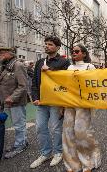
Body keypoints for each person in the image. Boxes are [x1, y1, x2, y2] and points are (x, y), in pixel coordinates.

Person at [30, 36, 70, 169]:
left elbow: (66, 81)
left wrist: (51, 72)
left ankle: (58, 152)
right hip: (41, 102)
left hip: (55, 102)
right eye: (46, 44)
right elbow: (35, 82)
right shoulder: (40, 62)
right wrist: (35, 97)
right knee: (40, 127)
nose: (47, 46)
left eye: (50, 44)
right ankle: (45, 153)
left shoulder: (64, 62)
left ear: (57, 47)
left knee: (56, 128)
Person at [63, 44, 101, 172]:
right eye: (72, 51)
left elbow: (95, 84)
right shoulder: (69, 67)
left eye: (77, 51)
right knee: (68, 133)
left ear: (84, 53)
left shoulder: (90, 67)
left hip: (83, 103)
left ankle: (88, 163)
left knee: (82, 133)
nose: (74, 53)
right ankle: (72, 164)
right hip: (69, 103)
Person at [0, 47, 28, 159]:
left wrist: (12, 97)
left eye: (2, 53)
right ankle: (22, 142)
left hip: (16, 102)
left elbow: (23, 86)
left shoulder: (18, 65)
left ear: (10, 54)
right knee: (17, 124)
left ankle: (20, 145)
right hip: (6, 101)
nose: (0, 55)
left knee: (18, 124)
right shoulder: (5, 65)